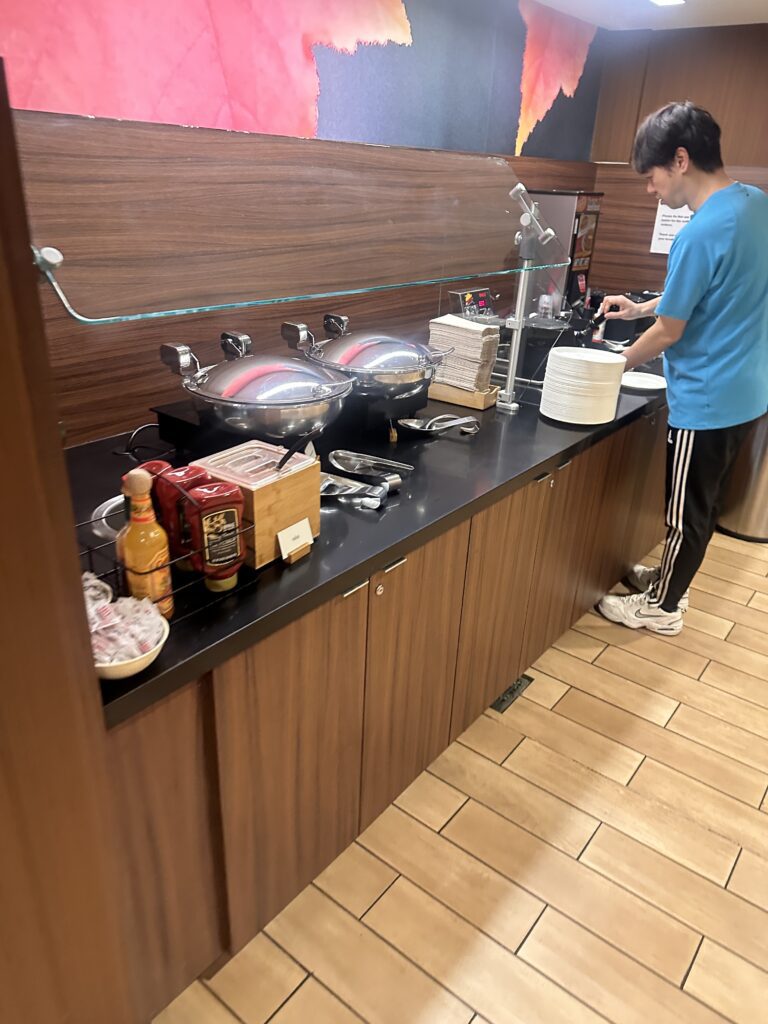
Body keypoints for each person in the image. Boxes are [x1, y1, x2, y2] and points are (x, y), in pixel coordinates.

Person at [597, 101, 768, 636]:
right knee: (702, 504)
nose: (651, 191)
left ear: (679, 160)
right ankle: (669, 581)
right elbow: (712, 292)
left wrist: (611, 361)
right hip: (749, 389)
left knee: (685, 512)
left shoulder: (696, 233)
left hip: (708, 398)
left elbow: (673, 331)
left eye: (650, 177)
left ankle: (662, 608)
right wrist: (642, 306)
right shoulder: (754, 205)